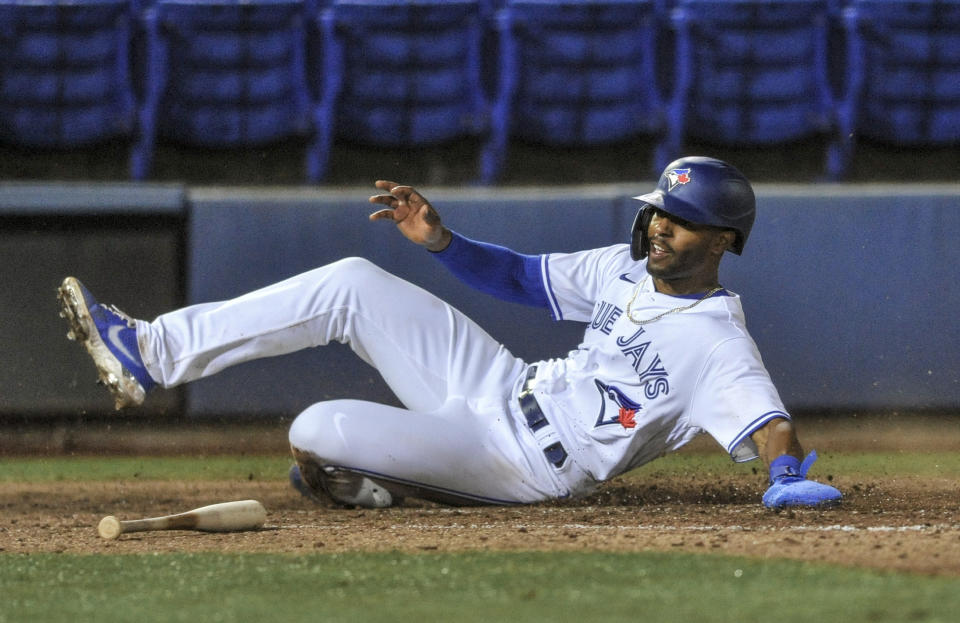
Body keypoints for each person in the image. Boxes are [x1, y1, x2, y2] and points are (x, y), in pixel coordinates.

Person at [58, 156, 842, 510]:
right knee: (349, 283)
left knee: (314, 426)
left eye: (685, 220)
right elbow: (518, 278)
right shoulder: (623, 265)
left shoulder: (716, 339)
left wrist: (783, 475)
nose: (663, 226)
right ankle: (150, 351)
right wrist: (440, 240)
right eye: (660, 211)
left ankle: (371, 478)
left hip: (523, 462)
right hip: (496, 384)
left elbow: (767, 420)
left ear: (724, 241)